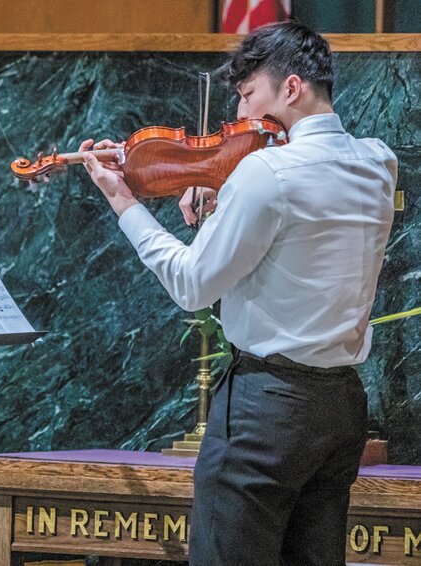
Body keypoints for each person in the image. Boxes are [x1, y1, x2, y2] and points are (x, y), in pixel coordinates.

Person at [79, 22, 397, 566]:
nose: (243, 118)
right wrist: (226, 192)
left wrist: (123, 203)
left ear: (291, 89)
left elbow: (191, 283)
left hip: (267, 412)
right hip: (341, 407)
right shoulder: (378, 162)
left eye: (249, 96)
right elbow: (299, 230)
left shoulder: (266, 173)